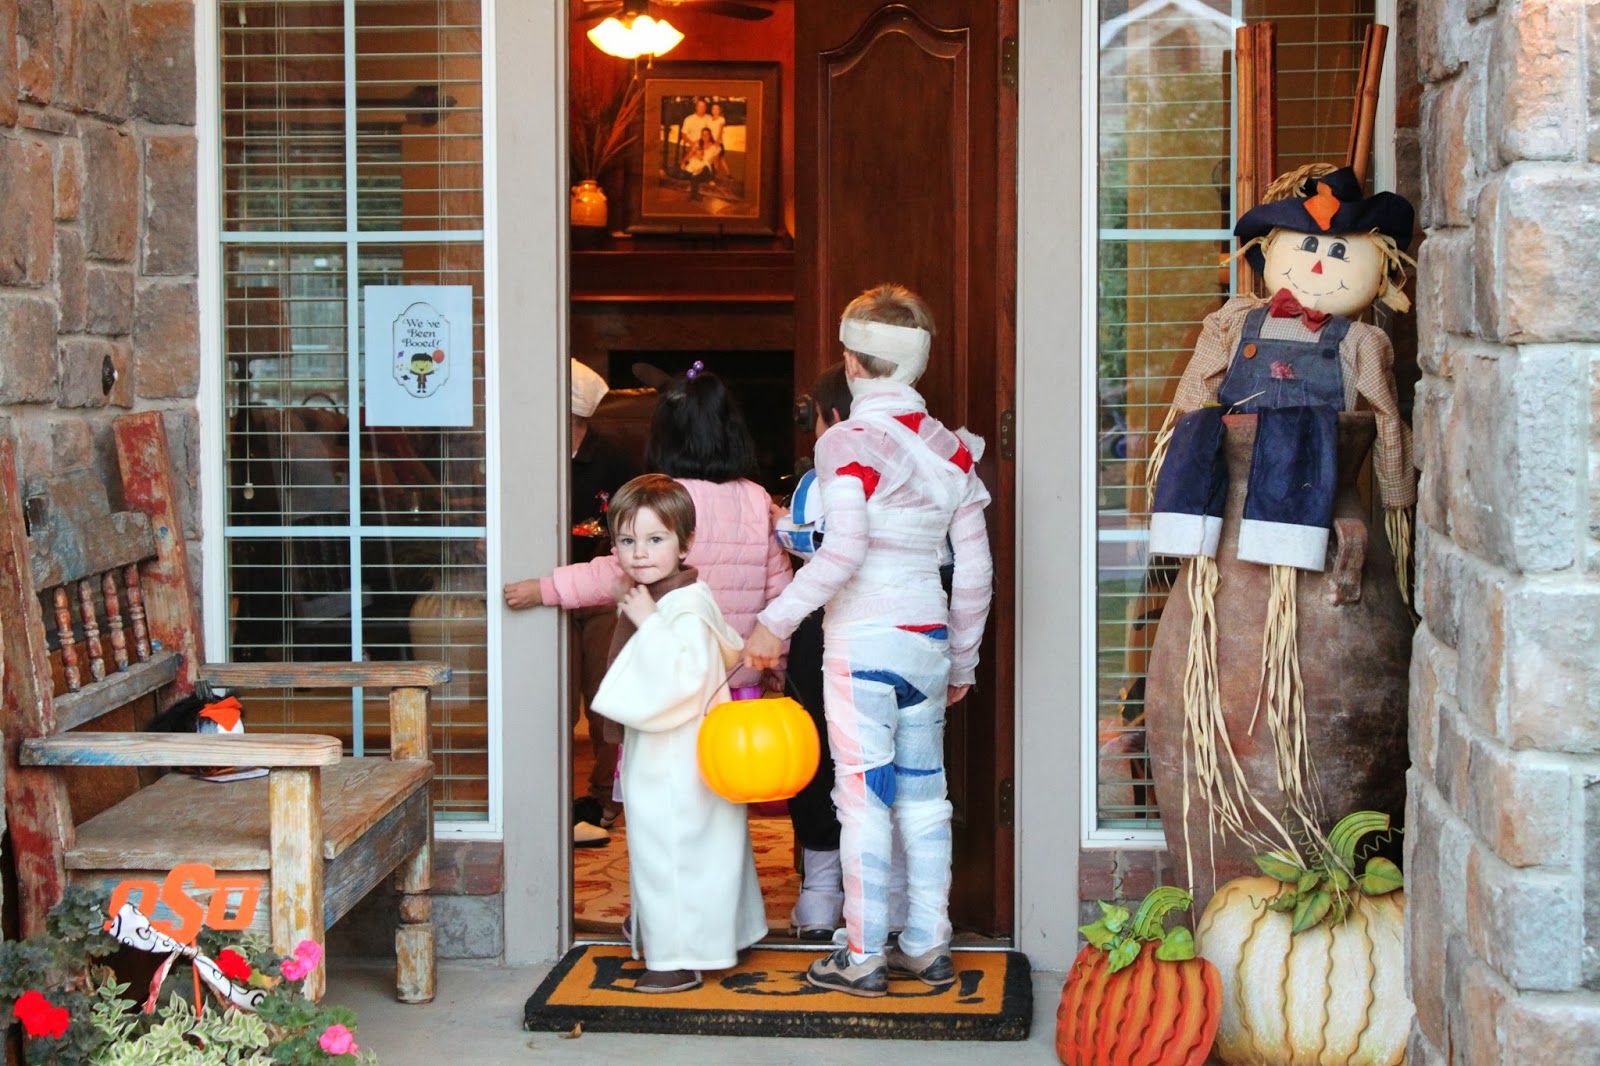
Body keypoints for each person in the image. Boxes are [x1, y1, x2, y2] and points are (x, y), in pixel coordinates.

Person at [744, 283, 995, 998]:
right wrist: (963, 659)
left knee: (861, 800)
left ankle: (861, 954)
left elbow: (843, 548)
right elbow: (975, 569)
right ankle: (927, 943)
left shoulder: (846, 441)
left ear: (852, 363)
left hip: (862, 645)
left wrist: (774, 620)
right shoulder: (951, 451)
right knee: (925, 797)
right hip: (928, 642)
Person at [503, 364, 791, 734]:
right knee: (727, 766)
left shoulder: (662, 499)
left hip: (670, 683)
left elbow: (618, 569)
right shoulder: (757, 498)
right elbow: (779, 590)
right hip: (735, 682)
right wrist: (777, 661)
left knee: (663, 765)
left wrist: (545, 588)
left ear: (662, 436)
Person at [586, 474, 767, 993]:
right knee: (704, 846)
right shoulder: (673, 595)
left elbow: (685, 676)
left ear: (684, 544)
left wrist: (649, 622)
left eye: (655, 539)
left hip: (675, 754)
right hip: (682, 750)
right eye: (627, 540)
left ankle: (678, 955)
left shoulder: (678, 608)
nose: (640, 553)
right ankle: (721, 933)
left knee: (668, 848)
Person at [774, 363, 853, 939]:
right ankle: (898, 908)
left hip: (823, 624)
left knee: (815, 751)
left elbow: (815, 545)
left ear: (832, 417)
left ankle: (822, 895)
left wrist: (781, 525)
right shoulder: (924, 459)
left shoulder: (821, 475)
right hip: (908, 627)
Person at [567, 361, 641, 846]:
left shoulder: (615, 460)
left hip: (601, 595)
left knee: (604, 700)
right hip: (542, 592)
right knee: (548, 701)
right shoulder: (527, 450)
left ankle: (603, 799)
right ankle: (544, 798)